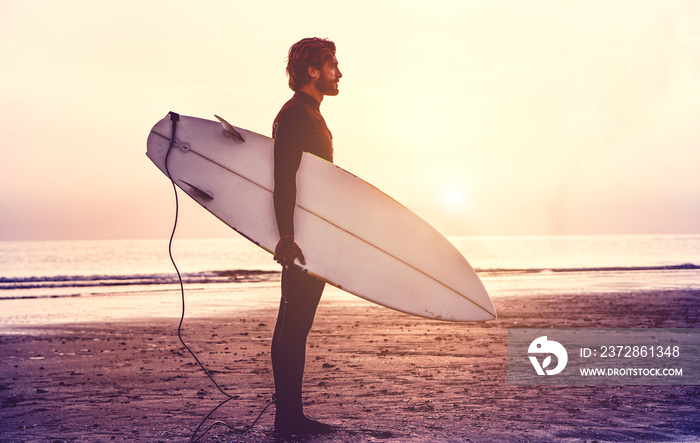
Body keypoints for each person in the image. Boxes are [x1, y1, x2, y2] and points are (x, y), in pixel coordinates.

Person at [270, 37, 342, 437]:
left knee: (293, 325)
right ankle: (289, 420)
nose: (339, 73)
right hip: (302, 239)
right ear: (312, 71)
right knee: (293, 326)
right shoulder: (297, 115)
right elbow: (285, 178)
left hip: (309, 234)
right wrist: (287, 236)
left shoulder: (307, 113)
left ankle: (290, 416)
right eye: (332, 65)